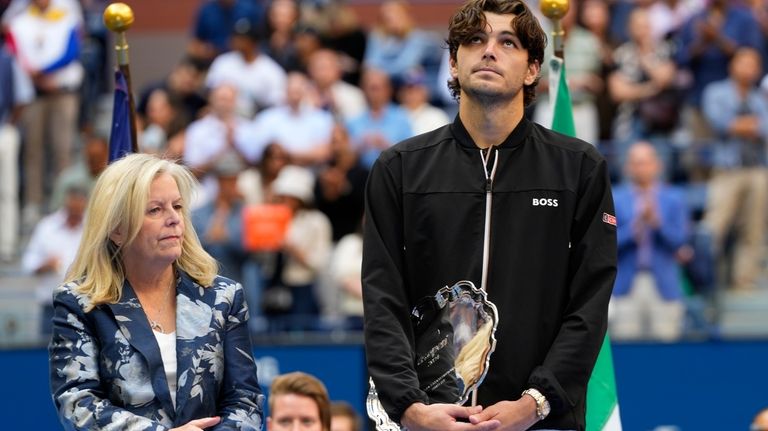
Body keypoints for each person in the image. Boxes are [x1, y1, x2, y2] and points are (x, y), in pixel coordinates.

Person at [362, 0, 617, 430]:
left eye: (508, 42)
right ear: (454, 64)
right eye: (475, 40)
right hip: (428, 420)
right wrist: (410, 408)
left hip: (540, 420)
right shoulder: (400, 168)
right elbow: (382, 299)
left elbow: (589, 304)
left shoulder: (579, 168)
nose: (489, 50)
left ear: (533, 69)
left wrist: (536, 402)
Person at [49, 154, 264, 430]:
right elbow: (77, 403)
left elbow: (245, 402)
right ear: (117, 229)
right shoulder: (79, 303)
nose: (174, 219)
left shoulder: (224, 296)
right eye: (155, 210)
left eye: (177, 206)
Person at [701, 47, 768, 291]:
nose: (748, 68)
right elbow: (719, 122)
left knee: (754, 228)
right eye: (744, 62)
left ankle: (743, 282)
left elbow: (765, 129)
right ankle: (708, 284)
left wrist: (741, 126)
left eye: (754, 64)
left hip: (758, 169)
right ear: (733, 65)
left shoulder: (760, 97)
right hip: (727, 169)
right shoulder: (716, 91)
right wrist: (749, 126)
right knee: (715, 226)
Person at [610, 142, 689, 341]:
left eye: (645, 162)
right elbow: (607, 243)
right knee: (626, 346)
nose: (641, 168)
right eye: (636, 163)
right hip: (625, 285)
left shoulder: (674, 198)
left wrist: (657, 223)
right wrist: (634, 228)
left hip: (664, 284)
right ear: (627, 167)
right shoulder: (616, 198)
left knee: (667, 347)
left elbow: (680, 241)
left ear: (657, 165)